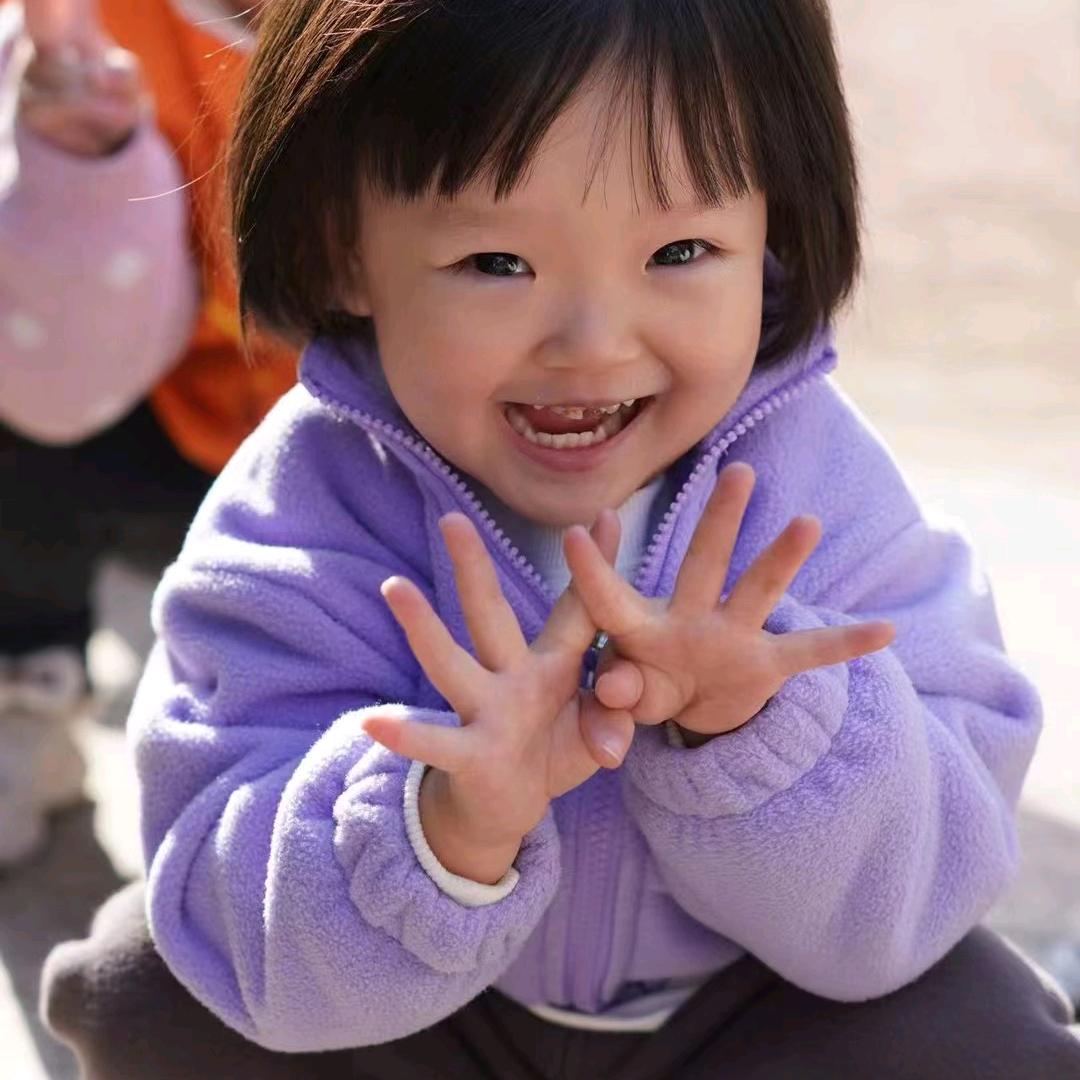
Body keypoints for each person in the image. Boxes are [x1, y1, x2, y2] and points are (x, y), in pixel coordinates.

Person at [41, 0, 1080, 1076]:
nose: (591, 344)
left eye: (680, 250)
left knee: (988, 1033)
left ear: (776, 225)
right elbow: (233, 890)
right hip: (423, 1030)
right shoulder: (306, 514)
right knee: (146, 983)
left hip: (744, 1015)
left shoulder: (821, 488)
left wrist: (760, 731)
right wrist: (441, 828)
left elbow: (920, 896)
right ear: (342, 250)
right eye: (497, 262)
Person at [0, 0, 290, 866]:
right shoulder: (85, 28)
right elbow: (49, 363)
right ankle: (29, 678)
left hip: (391, 439)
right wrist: (77, 164)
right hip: (160, 411)